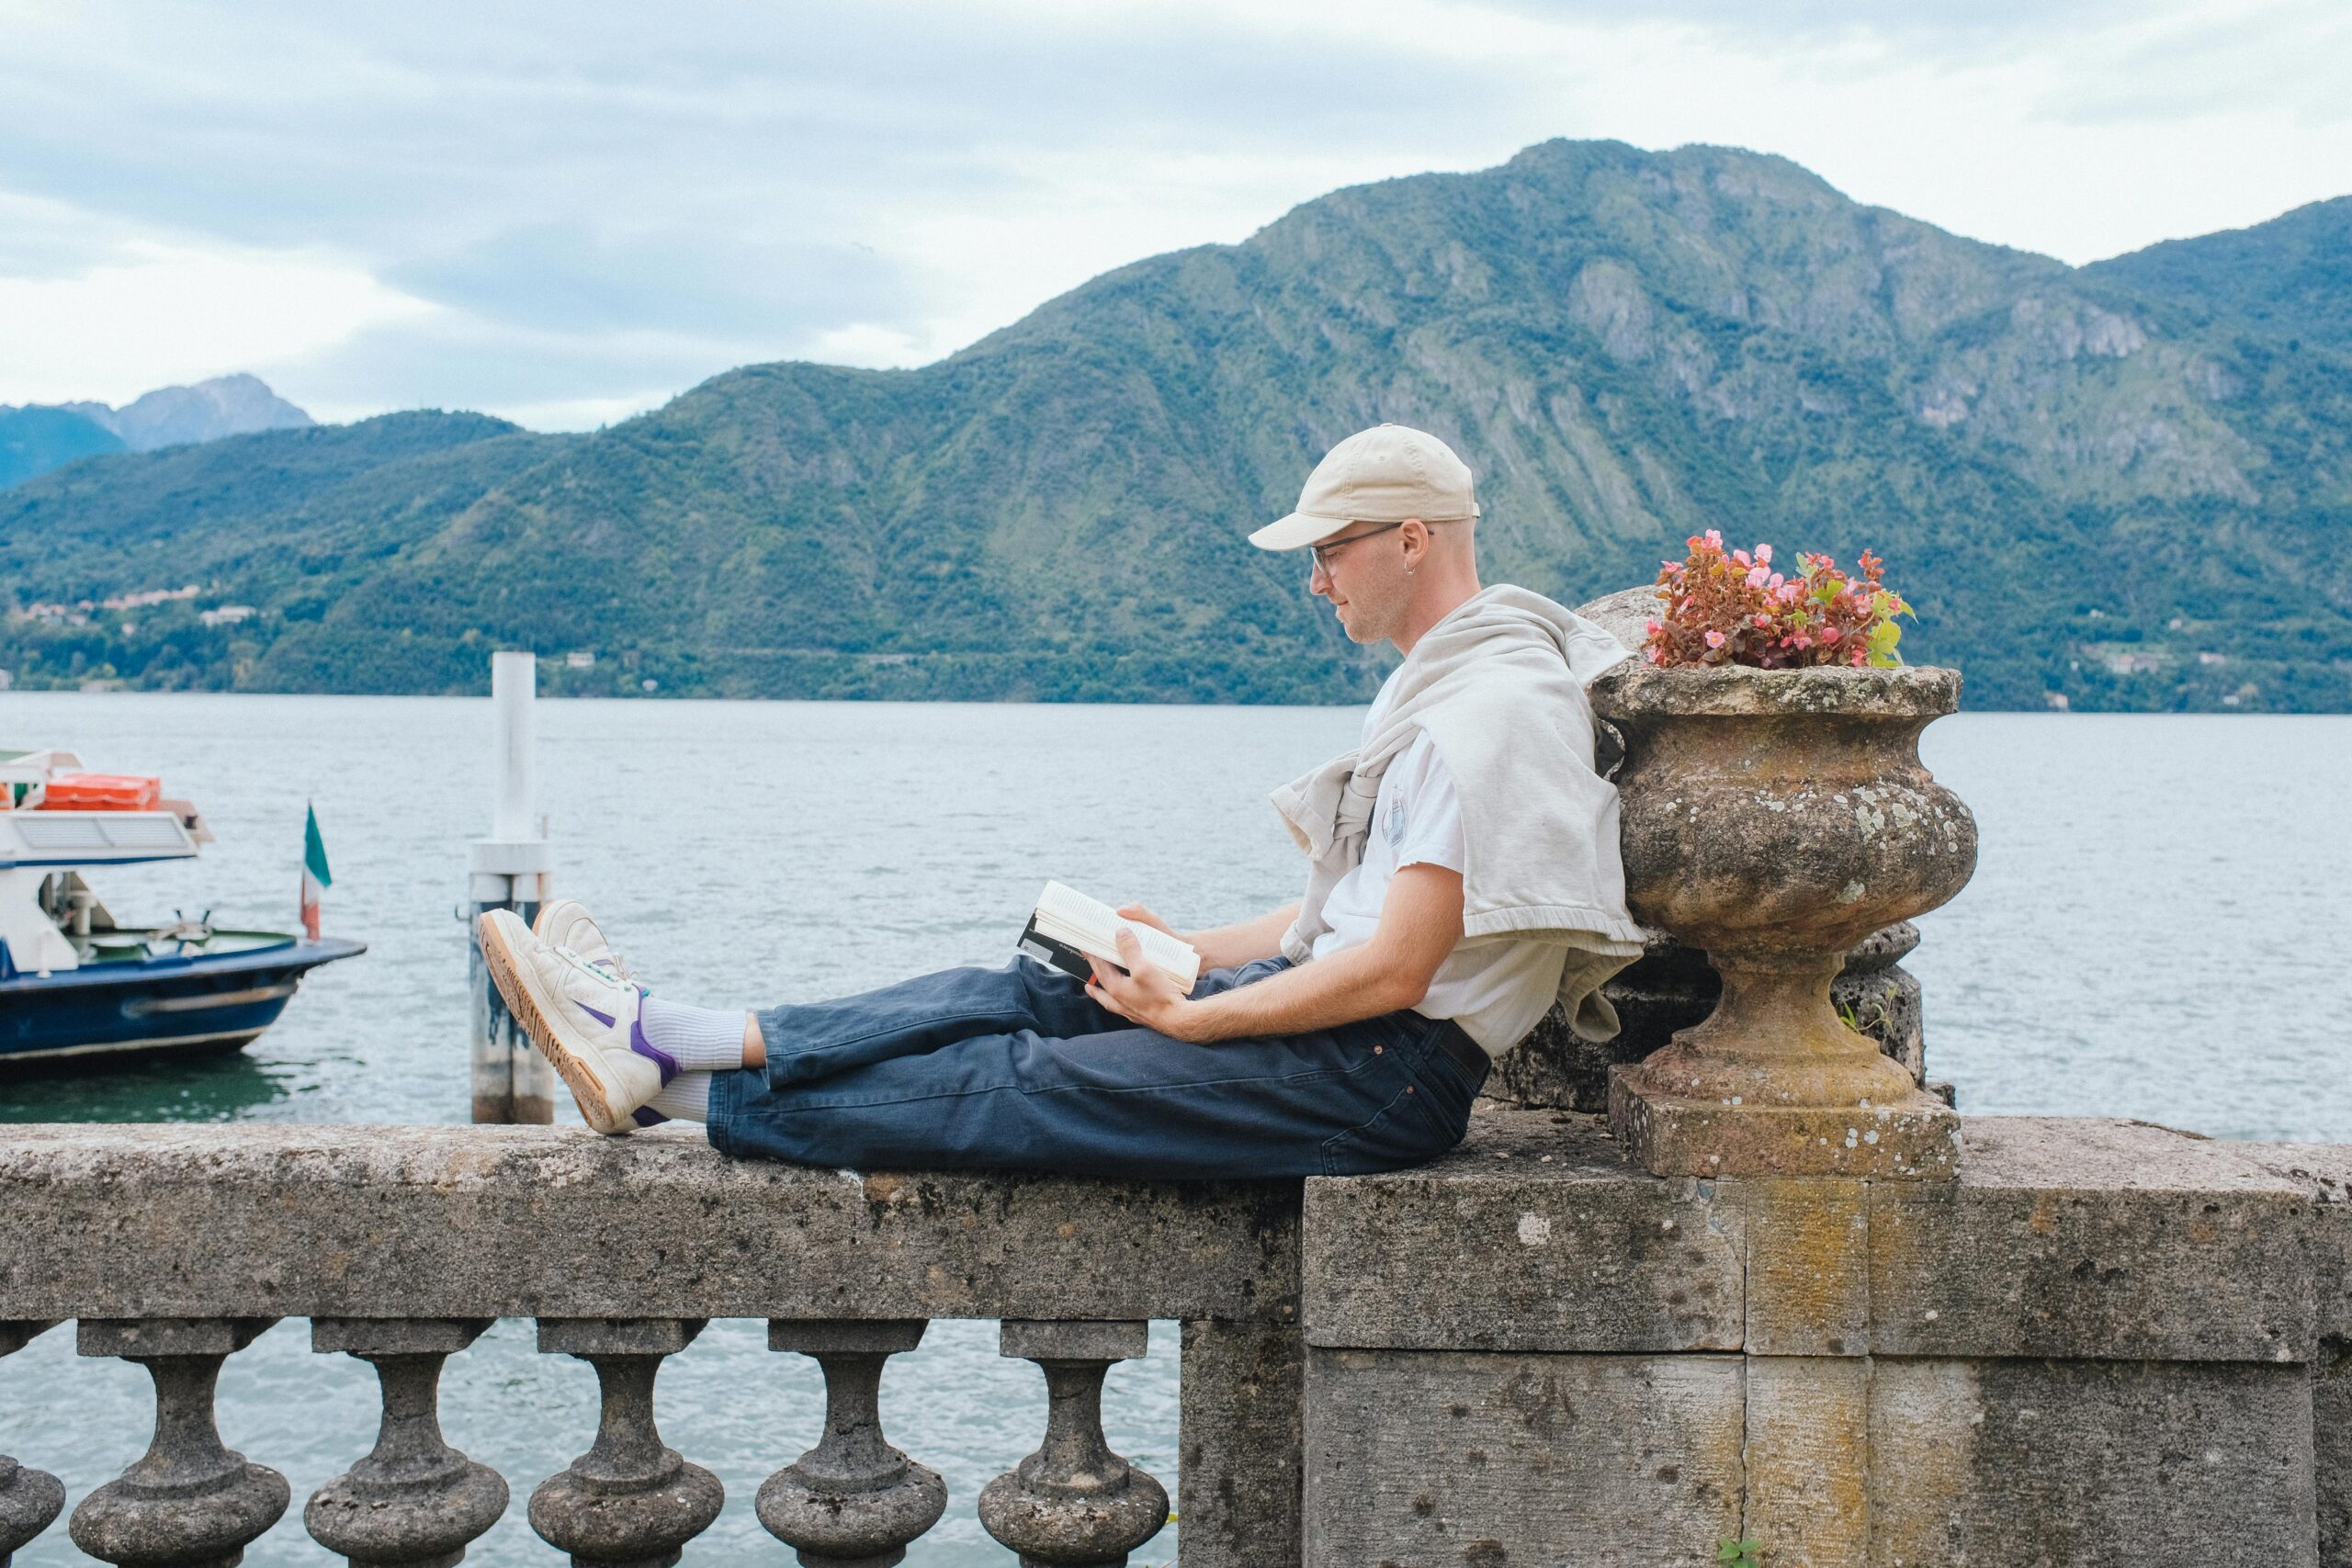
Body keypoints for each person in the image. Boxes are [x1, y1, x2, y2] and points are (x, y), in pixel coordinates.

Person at [479, 423, 1644, 1179]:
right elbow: (1342, 927)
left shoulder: (1481, 715)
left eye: (1330, 551)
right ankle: (663, 1033)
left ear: (1409, 538)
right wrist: (1179, 949)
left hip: (1377, 1075)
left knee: (1025, 1086)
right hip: (1342, 1031)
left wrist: (1194, 1017)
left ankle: (670, 1081)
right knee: (1024, 992)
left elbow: (1396, 972)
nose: (1314, 577)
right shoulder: (1451, 691)